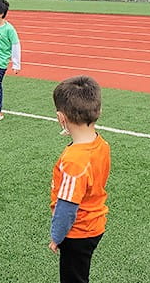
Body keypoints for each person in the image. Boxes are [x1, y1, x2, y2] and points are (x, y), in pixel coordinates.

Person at [48, 75, 110, 283]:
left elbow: (67, 208)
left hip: (78, 232)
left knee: (73, 278)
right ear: (98, 111)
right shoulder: (101, 144)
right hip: (95, 222)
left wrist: (57, 236)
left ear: (61, 117)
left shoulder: (75, 161)